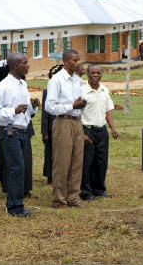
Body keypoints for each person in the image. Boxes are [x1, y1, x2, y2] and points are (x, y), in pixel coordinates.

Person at [0, 52, 39, 218]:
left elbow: (25, 111)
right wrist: (13, 110)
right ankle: (14, 207)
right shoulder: (3, 86)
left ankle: (16, 203)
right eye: (25, 63)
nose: (28, 65)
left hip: (23, 131)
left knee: (20, 168)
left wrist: (33, 107)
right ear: (15, 66)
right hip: (10, 131)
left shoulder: (22, 84)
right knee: (16, 168)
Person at [45, 49, 87, 209]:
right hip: (63, 122)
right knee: (62, 162)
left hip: (77, 121)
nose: (78, 63)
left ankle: (73, 197)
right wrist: (71, 105)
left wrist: (81, 104)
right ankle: (59, 199)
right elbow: (49, 106)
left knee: (77, 162)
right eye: (75, 60)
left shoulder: (77, 80)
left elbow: (77, 101)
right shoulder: (56, 80)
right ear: (66, 62)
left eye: (78, 60)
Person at [80, 64, 119, 201]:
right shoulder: (82, 91)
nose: (95, 75)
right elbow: (76, 113)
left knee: (101, 161)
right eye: (93, 73)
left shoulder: (104, 90)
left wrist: (113, 128)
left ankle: (99, 189)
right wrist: (81, 133)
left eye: (98, 73)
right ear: (87, 74)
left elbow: (108, 110)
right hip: (87, 130)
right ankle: (85, 191)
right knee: (87, 162)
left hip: (101, 130)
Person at [41, 64, 63, 186]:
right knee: (50, 153)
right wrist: (44, 132)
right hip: (51, 128)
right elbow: (45, 113)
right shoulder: (47, 92)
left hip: (64, 126)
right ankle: (50, 178)